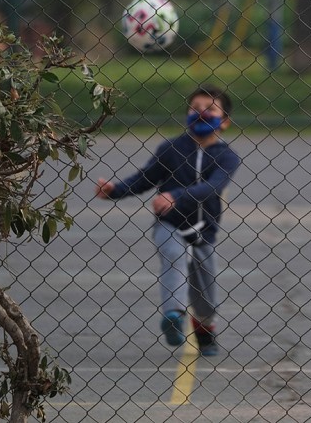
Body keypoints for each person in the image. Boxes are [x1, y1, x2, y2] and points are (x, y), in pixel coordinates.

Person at [95, 85, 240, 356]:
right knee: (172, 255)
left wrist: (176, 195)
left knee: (206, 295)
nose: (201, 114)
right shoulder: (171, 148)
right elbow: (144, 178)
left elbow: (213, 187)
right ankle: (174, 314)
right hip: (169, 222)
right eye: (195, 109)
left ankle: (205, 328)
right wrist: (115, 190)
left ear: (225, 121)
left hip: (203, 230)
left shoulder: (227, 157)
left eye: (210, 110)